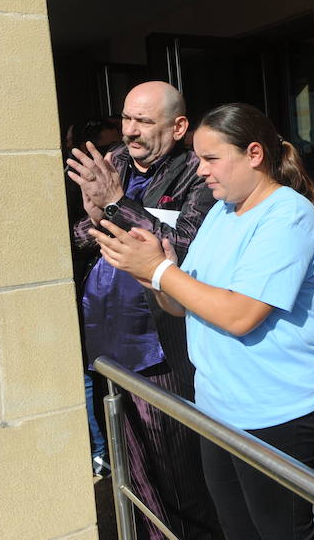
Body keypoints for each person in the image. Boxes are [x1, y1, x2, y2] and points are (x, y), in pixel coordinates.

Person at [89, 102, 314, 540]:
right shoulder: (223, 212)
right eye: (198, 157)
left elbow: (240, 315)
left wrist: (161, 271)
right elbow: (184, 305)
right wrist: (152, 276)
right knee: (238, 529)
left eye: (211, 158)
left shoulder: (288, 215)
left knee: (281, 531)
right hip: (218, 407)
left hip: (275, 408)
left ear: (255, 154)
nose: (200, 170)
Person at [68, 81, 218, 539]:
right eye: (127, 118)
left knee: (178, 475)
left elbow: (189, 245)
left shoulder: (198, 171)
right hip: (104, 335)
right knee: (130, 474)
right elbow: (78, 236)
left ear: (178, 126)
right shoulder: (111, 161)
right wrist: (96, 221)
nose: (130, 131)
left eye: (144, 122)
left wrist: (117, 206)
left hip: (161, 346)